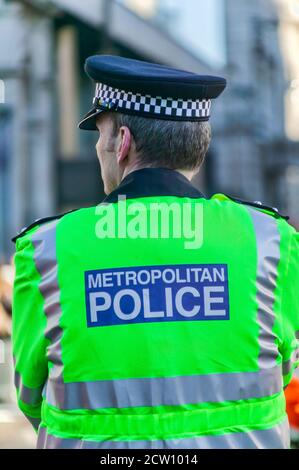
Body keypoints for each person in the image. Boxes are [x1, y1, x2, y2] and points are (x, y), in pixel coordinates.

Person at [12, 55, 299, 449]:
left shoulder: (46, 249)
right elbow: (283, 370)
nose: (99, 148)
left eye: (100, 134)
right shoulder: (270, 239)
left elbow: (31, 394)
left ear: (122, 143)